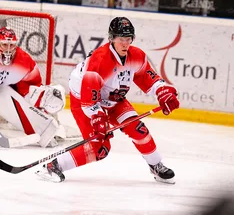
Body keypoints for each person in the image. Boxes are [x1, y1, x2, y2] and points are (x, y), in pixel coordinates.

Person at [36, 17, 179, 183]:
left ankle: (156, 165)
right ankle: (53, 166)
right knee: (100, 148)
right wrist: (98, 117)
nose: (125, 43)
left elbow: (151, 80)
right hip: (84, 101)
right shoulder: (99, 61)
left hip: (114, 100)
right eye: (121, 39)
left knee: (138, 129)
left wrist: (163, 92)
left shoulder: (137, 56)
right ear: (111, 39)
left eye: (128, 39)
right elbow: (89, 101)